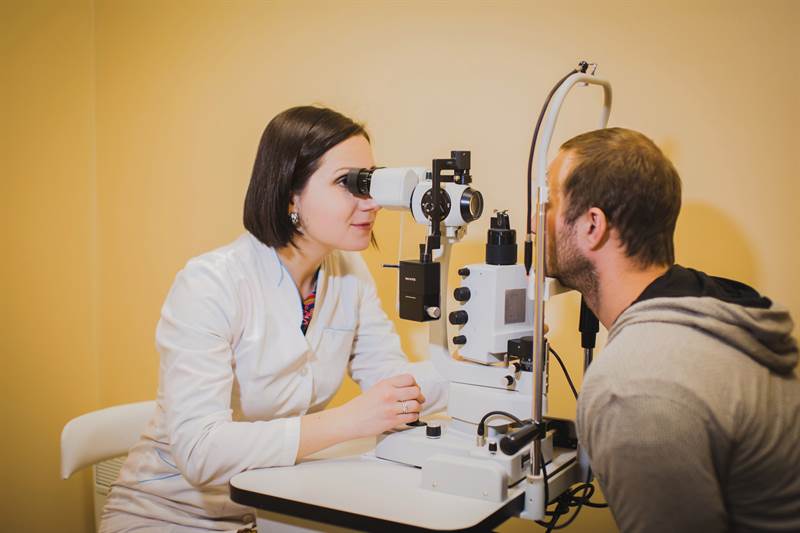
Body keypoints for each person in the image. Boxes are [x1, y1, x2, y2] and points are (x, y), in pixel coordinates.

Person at [100, 106, 447, 532]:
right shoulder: (211, 283)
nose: (372, 201)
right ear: (290, 196)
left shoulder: (349, 275)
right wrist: (349, 420)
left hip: (275, 508)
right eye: (349, 183)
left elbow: (391, 388)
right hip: (170, 513)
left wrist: (480, 368)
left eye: (371, 181)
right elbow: (200, 452)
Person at [543, 127, 800, 532]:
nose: (534, 219)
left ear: (593, 226)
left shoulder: (633, 387)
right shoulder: (711, 308)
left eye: (549, 202)